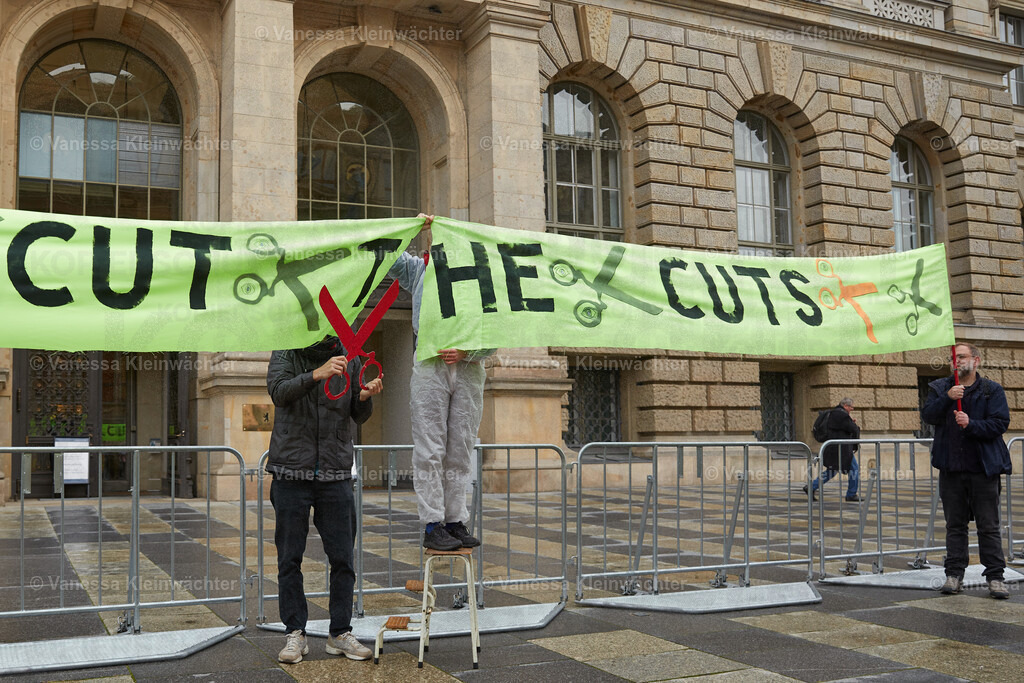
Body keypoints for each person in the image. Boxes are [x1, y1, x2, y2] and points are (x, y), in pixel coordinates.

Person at [266, 335, 383, 663]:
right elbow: (278, 392)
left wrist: (365, 396)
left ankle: (340, 633)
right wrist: (316, 373)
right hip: (291, 471)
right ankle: (295, 634)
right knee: (290, 559)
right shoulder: (286, 349)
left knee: (343, 558)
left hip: (335, 472)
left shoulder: (351, 354)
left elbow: (358, 414)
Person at [388, 214, 494, 551]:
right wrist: (412, 227)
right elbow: (385, 254)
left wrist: (468, 352)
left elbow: (498, 331)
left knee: (460, 449)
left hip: (468, 370)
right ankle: (432, 524)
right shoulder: (420, 270)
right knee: (430, 450)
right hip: (430, 366)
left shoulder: (481, 279)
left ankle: (455, 520)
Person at [922, 342, 1012, 599]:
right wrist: (947, 399)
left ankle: (995, 577)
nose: (957, 361)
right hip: (951, 469)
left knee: (988, 525)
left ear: (976, 360)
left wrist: (971, 424)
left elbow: (999, 423)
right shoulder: (940, 388)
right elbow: (928, 416)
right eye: (954, 358)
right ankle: (954, 575)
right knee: (955, 525)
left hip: (983, 470)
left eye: (962, 357)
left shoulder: (991, 390)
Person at [804, 398, 862, 502]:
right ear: (845, 406)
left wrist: (849, 421)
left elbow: (840, 427)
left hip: (833, 448)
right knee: (854, 469)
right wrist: (852, 423)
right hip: (842, 449)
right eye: (850, 407)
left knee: (832, 471)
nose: (851, 409)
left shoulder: (833, 413)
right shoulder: (842, 415)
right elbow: (853, 429)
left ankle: (811, 487)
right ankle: (851, 494)